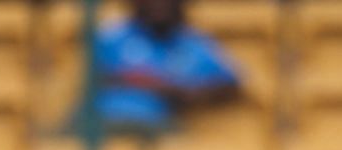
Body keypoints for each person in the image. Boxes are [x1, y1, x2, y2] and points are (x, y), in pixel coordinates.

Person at [92, 0, 241, 136]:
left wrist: (187, 92)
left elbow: (231, 84)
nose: (159, 4)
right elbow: (95, 79)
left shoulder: (195, 43)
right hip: (103, 120)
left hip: (157, 126)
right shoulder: (111, 36)